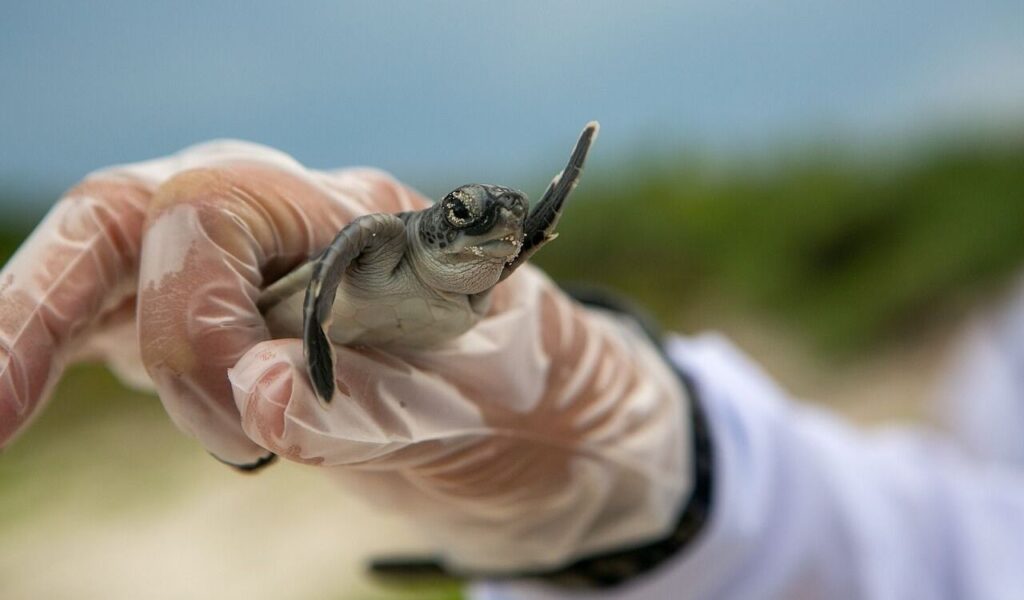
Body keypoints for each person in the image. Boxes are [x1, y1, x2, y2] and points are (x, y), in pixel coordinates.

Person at [1, 141, 1022, 600]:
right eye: (463, 216)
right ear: (433, 218)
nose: (490, 233)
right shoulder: (379, 239)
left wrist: (622, 453)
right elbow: (953, 543)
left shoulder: (496, 257)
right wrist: (688, 481)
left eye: (507, 229)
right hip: (334, 313)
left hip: (429, 337)